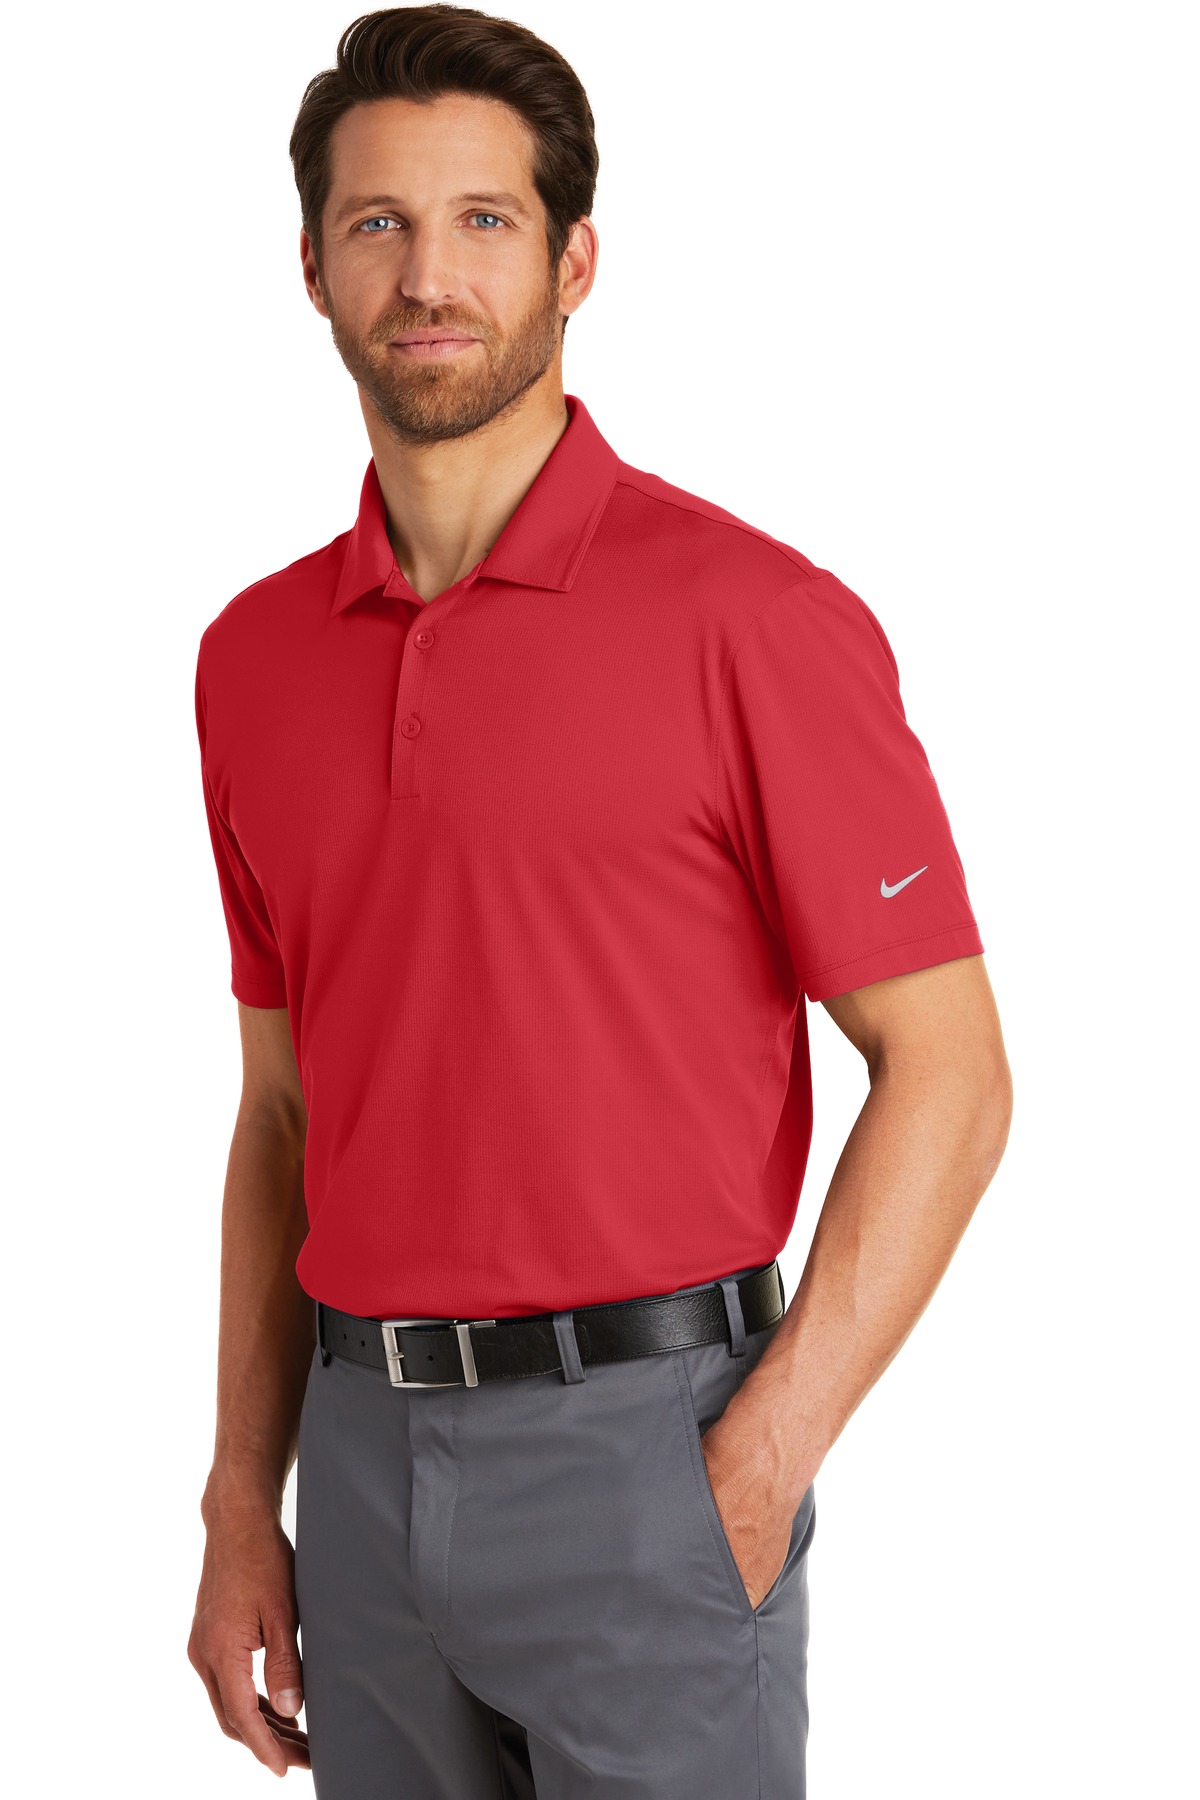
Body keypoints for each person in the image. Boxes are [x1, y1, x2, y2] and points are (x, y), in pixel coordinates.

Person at [186, 7, 1013, 1796]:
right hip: (359, 1465)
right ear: (312, 268)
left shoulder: (754, 622)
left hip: (653, 1459)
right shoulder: (249, 660)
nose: (429, 275)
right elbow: (282, 1113)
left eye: (484, 221)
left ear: (574, 262)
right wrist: (244, 1499)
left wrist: (760, 1459)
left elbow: (951, 1072)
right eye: (379, 223)